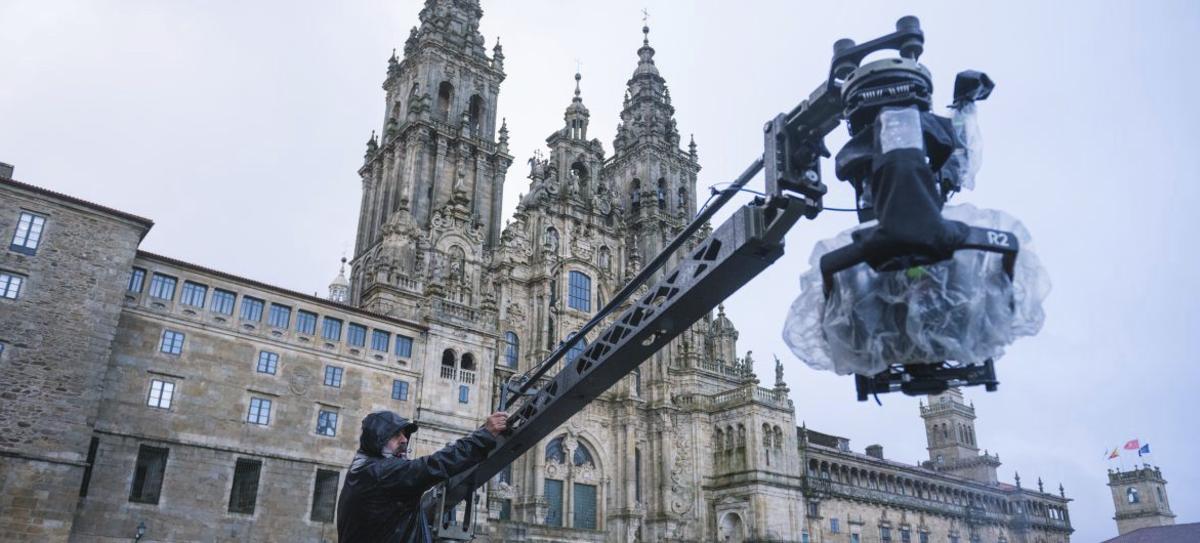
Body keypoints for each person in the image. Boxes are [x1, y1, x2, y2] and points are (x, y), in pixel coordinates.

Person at [336, 410, 508, 542]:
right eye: (396, 435)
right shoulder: (381, 472)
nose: (404, 440)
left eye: (404, 434)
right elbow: (436, 465)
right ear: (378, 439)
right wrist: (484, 435)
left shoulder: (362, 468)